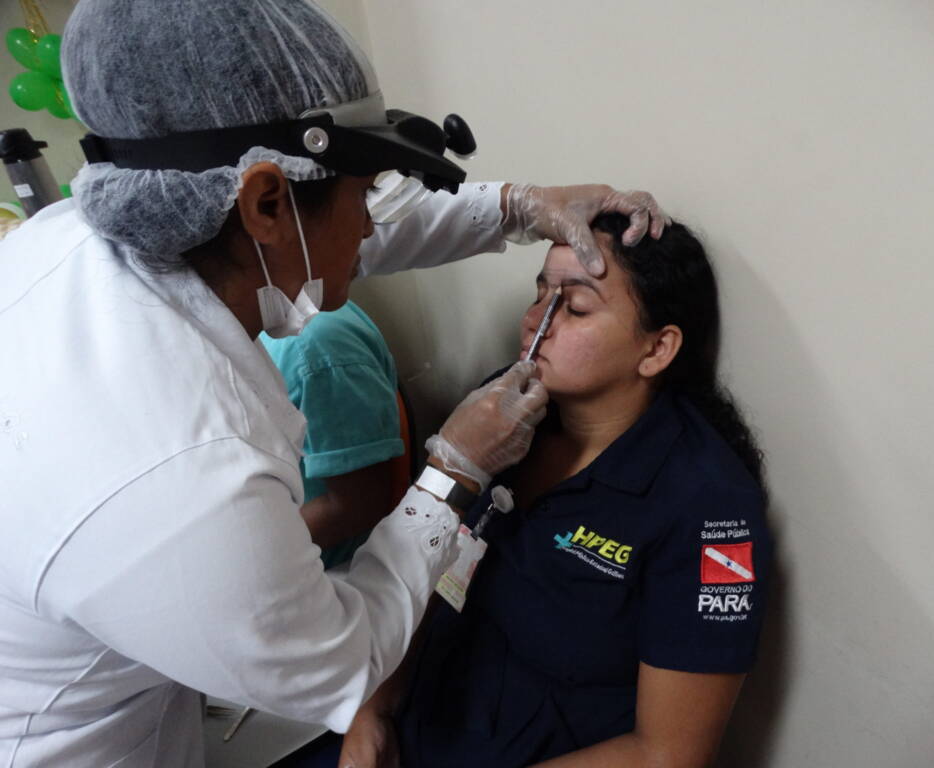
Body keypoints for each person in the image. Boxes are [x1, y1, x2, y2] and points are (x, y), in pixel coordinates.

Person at [0, 1, 672, 766]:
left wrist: (519, 206)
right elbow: (345, 659)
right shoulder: (183, 479)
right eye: (366, 193)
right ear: (265, 203)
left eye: (574, 304)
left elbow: (322, 235)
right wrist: (452, 473)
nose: (371, 224)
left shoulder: (78, 237)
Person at [342, 215, 772, 768]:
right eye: (539, 294)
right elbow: (425, 566)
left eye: (575, 308)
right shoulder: (501, 410)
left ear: (657, 349)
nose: (534, 323)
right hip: (417, 728)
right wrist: (372, 709)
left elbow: (667, 753)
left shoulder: (707, 504)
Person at [261, 302, 408, 570]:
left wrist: (255, 556)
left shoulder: (316, 348)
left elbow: (357, 505)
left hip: (323, 569)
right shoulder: (259, 331)